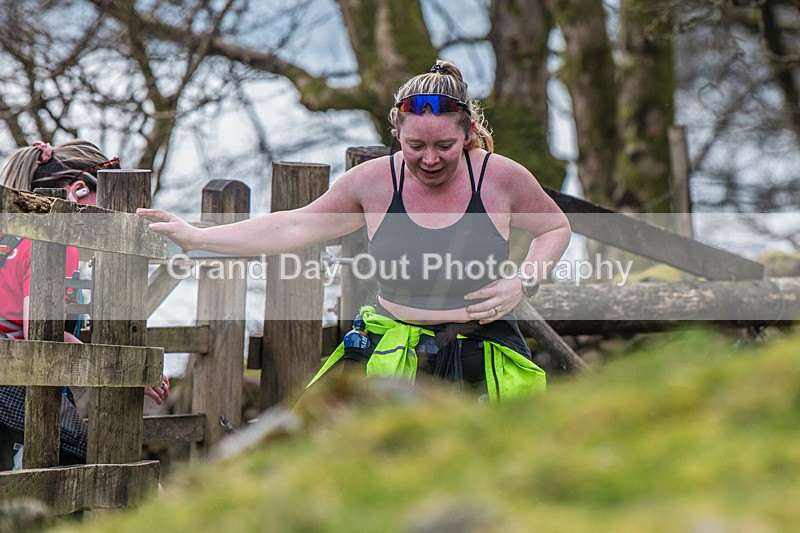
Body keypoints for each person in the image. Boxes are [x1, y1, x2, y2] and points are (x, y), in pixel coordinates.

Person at [138, 60, 571, 401]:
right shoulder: (372, 182)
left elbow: (554, 227)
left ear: (468, 133)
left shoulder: (500, 178)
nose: (430, 159)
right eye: (415, 146)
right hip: (389, 350)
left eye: (445, 146)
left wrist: (524, 281)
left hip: (484, 352)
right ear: (396, 132)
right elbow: (293, 224)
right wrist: (198, 237)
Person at [0, 139, 170, 470]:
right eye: (104, 206)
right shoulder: (54, 244)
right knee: (108, 472)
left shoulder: (9, 237)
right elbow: (42, 334)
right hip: (15, 389)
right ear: (77, 191)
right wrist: (129, 369)